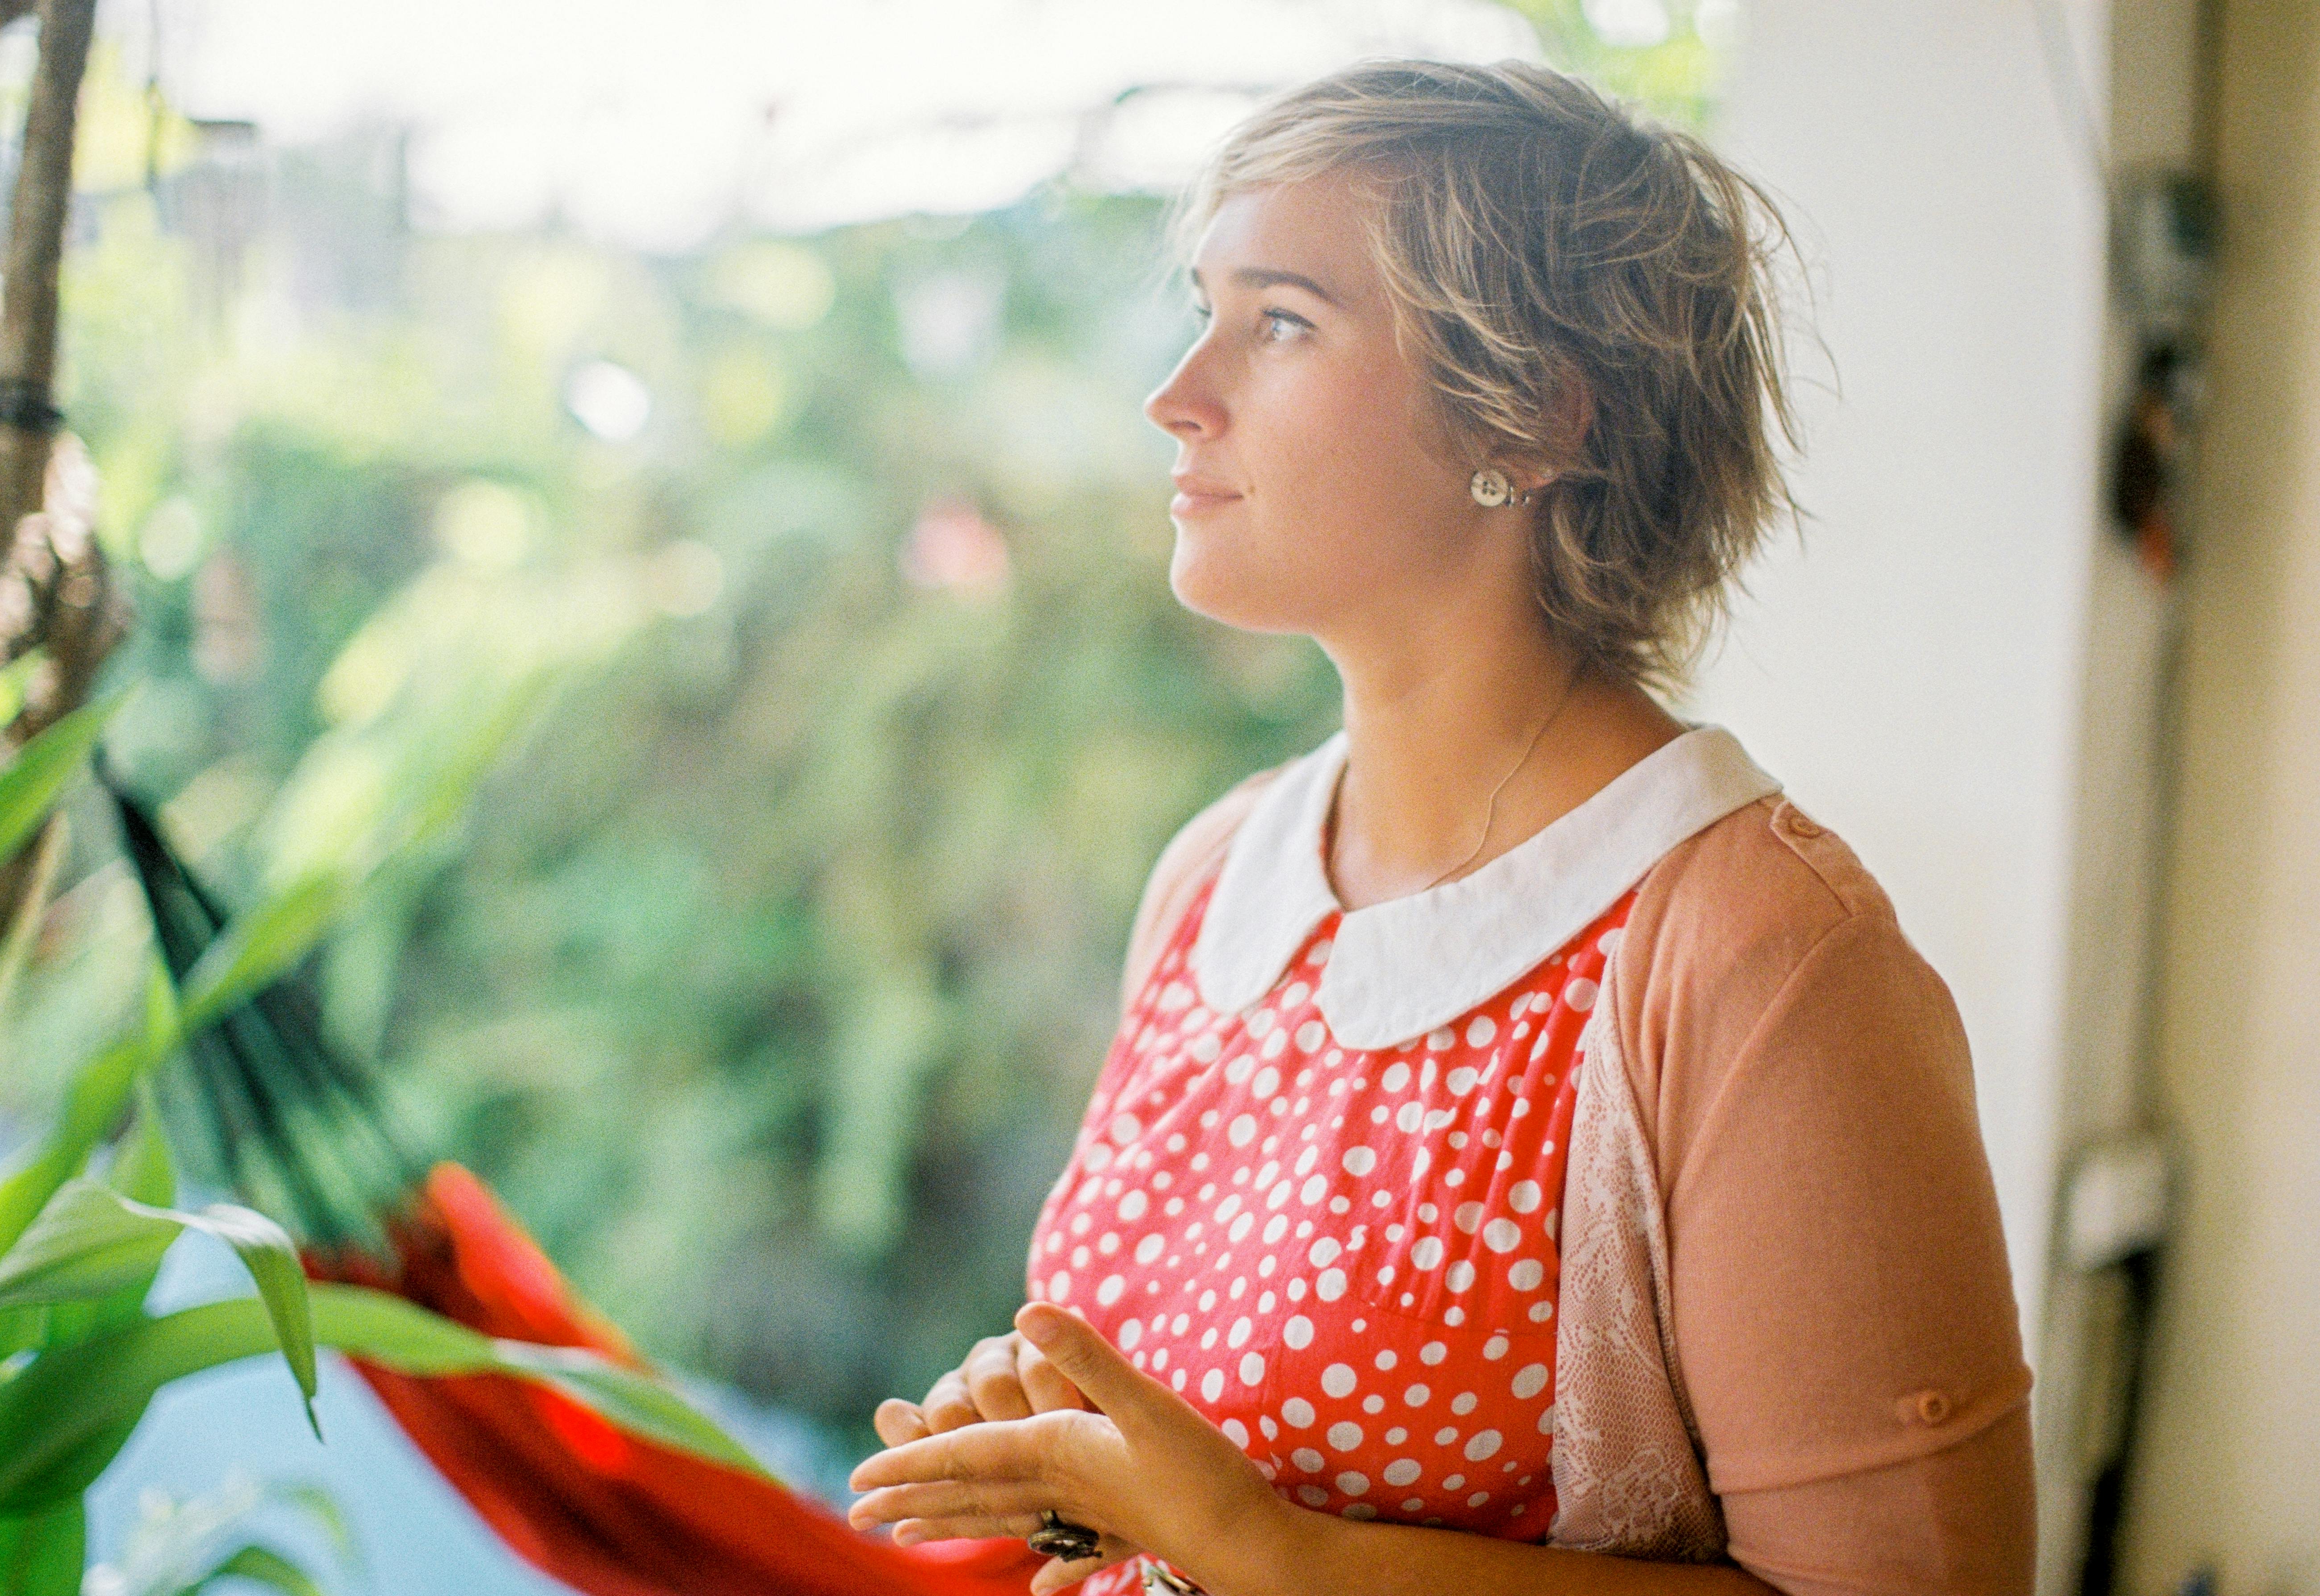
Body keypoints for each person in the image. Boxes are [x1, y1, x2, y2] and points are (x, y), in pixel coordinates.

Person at [845, 57, 2035, 1596]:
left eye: (1279, 322)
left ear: (1532, 418)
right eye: (1203, 308)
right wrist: (1086, 1463)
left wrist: (1265, 1553)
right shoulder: (1219, 877)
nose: (1175, 394)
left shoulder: (1764, 963)